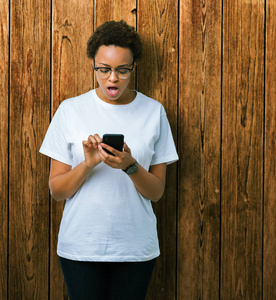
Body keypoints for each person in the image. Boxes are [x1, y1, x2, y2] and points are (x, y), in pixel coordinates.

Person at [40, 20, 178, 299]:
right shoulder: (70, 110)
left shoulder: (154, 112)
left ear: (133, 68)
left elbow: (157, 192)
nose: (112, 78)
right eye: (104, 69)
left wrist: (130, 165)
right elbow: (57, 191)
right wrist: (89, 163)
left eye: (122, 70)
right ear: (93, 64)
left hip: (136, 248)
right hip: (81, 247)